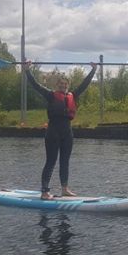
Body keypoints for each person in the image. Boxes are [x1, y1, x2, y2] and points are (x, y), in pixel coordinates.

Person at [22, 61, 97, 200]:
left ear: (68, 86)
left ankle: (64, 189)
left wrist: (93, 70)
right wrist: (27, 70)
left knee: (65, 161)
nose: (63, 86)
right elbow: (35, 86)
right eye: (61, 84)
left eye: (65, 84)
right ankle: (45, 192)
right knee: (51, 161)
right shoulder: (51, 95)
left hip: (67, 132)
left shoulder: (72, 95)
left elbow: (84, 85)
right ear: (57, 86)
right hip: (53, 132)